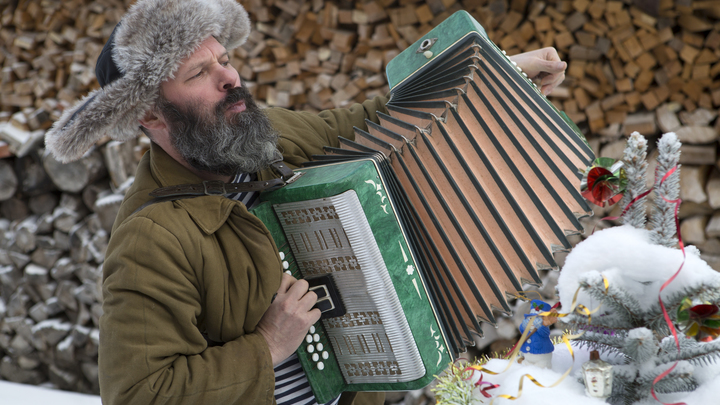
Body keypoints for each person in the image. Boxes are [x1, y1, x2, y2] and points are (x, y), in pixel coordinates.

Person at [44, 0, 568, 404]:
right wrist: (269, 345)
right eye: (198, 74)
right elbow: (139, 394)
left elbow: (376, 122)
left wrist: (503, 74)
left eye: (224, 60)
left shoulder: (270, 138)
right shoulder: (152, 237)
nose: (230, 78)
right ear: (153, 117)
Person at [517, 299, 559, 369]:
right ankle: (525, 363)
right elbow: (523, 332)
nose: (533, 320)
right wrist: (523, 326)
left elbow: (545, 333)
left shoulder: (543, 327)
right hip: (527, 355)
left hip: (542, 356)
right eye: (531, 317)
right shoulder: (528, 326)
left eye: (537, 318)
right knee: (526, 367)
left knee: (541, 368)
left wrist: (541, 326)